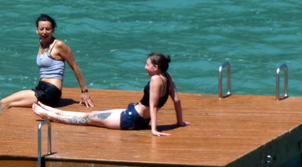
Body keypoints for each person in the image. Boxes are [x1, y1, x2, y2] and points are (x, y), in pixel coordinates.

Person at [32, 53, 188, 137]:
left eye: (147, 64)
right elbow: (176, 99)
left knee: (88, 119)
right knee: (93, 114)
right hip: (134, 113)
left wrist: (153, 129)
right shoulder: (167, 76)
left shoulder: (155, 79)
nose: (145, 67)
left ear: (156, 67)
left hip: (132, 119)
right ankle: (49, 109)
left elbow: (153, 106)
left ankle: (48, 114)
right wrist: (179, 121)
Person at [0, 14, 94, 112]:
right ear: (37, 30)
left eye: (48, 29)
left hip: (51, 92)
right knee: (10, 105)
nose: (44, 32)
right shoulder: (41, 43)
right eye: (42, 29)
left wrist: (84, 91)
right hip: (41, 87)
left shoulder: (59, 45)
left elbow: (75, 66)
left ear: (53, 30)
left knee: (4, 102)